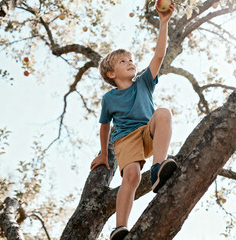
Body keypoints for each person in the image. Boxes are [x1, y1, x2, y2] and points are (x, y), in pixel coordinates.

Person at [90, 2, 176, 239]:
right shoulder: (109, 98)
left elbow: (159, 55)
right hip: (125, 139)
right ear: (111, 74)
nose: (130, 62)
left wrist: (164, 21)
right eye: (123, 61)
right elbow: (105, 125)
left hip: (147, 132)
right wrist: (104, 155)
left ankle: (158, 167)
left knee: (164, 112)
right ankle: (120, 227)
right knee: (131, 176)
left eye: (131, 59)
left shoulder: (144, 82)